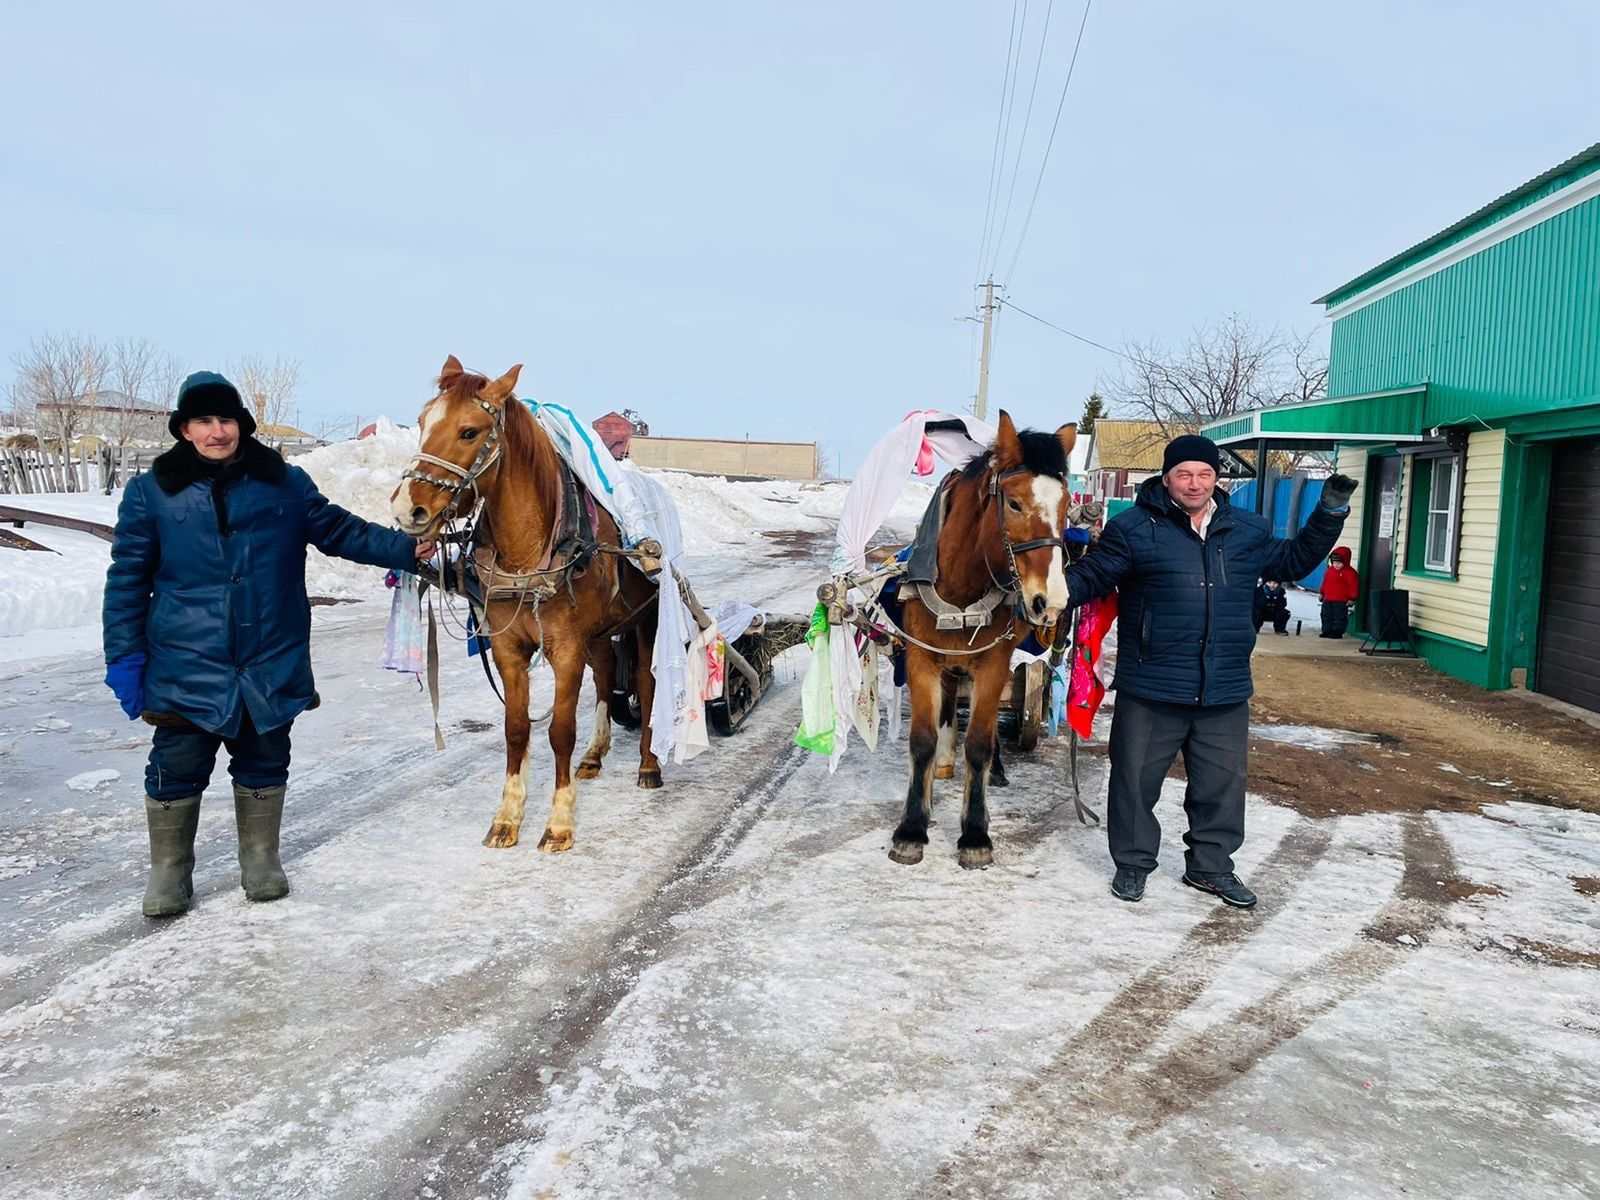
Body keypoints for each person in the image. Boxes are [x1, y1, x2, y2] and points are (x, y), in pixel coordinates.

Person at [102, 371, 434, 917]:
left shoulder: (284, 482)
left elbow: (341, 531)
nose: (217, 432)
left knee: (264, 757)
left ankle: (260, 859)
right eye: (203, 421)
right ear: (184, 429)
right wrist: (124, 655)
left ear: (242, 425)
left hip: (269, 653)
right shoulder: (152, 492)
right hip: (186, 658)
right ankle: (169, 871)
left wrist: (403, 548)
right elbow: (128, 578)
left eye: (226, 419)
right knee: (176, 764)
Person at [1065, 434, 1355, 908]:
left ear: (1216, 478)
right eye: (1184, 474)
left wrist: (1328, 512)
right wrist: (1043, 586)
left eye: (1204, 474)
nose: (1194, 483)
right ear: (1167, 478)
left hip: (1223, 686)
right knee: (1134, 783)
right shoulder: (1134, 528)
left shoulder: (1247, 529)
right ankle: (1134, 865)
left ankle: (1211, 868)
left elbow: (1295, 561)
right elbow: (1093, 576)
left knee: (1221, 786)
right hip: (1152, 683)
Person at [1319, 547, 1360, 638]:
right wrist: (1322, 593)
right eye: (1334, 563)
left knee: (1339, 617)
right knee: (1326, 615)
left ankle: (1337, 632)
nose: (1336, 565)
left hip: (1341, 600)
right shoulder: (1330, 571)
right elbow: (1325, 582)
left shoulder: (1350, 573)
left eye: (1339, 563)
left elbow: (1353, 586)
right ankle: (1326, 630)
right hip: (1328, 598)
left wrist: (1352, 598)